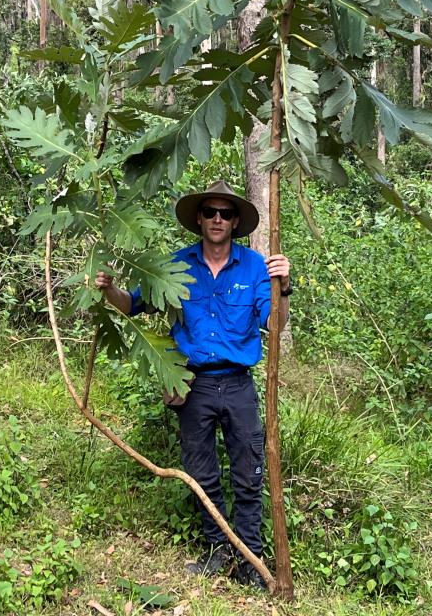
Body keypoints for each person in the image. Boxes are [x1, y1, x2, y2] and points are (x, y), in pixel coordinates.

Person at [96, 179, 292, 590]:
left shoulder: (256, 266)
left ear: (236, 221)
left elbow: (274, 324)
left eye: (225, 213)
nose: (217, 219)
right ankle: (217, 550)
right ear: (199, 219)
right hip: (192, 385)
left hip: (238, 384)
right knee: (201, 473)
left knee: (248, 473)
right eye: (210, 212)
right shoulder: (177, 264)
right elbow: (133, 304)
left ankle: (250, 559)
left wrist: (284, 288)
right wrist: (108, 288)